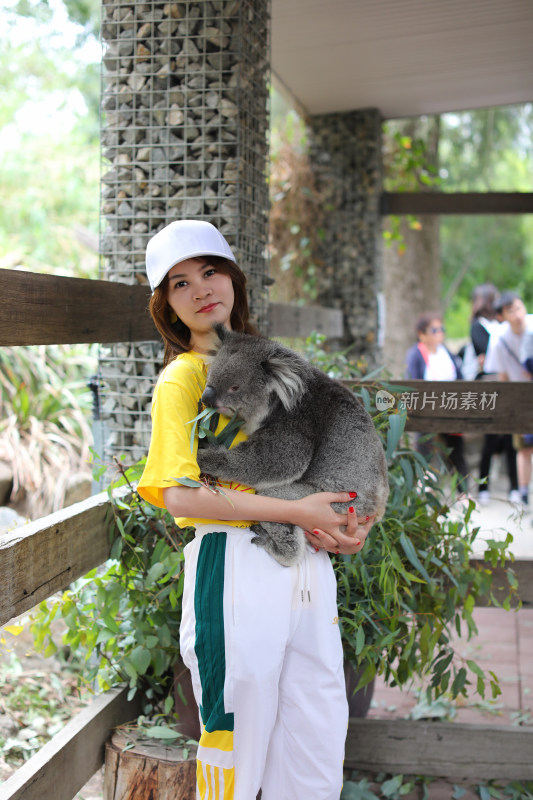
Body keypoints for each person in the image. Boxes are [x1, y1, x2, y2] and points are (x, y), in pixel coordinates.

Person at [136, 219, 375, 800]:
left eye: (210, 272)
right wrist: (301, 514)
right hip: (236, 567)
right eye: (179, 284)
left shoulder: (275, 366)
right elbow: (177, 495)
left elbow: (322, 462)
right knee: (236, 752)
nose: (200, 290)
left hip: (308, 573)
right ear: (167, 307)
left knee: (315, 746)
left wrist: (348, 525)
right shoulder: (184, 380)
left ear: (235, 280)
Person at [405, 311, 469, 493]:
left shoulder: (445, 352)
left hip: (450, 410)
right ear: (422, 334)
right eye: (435, 330)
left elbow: (460, 378)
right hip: (426, 412)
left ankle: (463, 494)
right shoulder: (415, 354)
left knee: (456, 452)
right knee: (424, 449)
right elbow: (411, 382)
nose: (440, 333)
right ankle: (422, 490)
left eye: (442, 329)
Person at [468, 285, 520, 505]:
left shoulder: (500, 325)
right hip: (488, 386)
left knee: (511, 438)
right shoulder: (478, 326)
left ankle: (516, 488)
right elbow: (485, 350)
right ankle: (484, 488)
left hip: (506, 382)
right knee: (489, 437)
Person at [485, 291, 533, 506]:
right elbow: (502, 376)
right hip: (520, 399)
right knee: (523, 448)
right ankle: (523, 493)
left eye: (519, 307)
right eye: (510, 310)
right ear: (502, 316)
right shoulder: (499, 341)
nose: (517, 314)